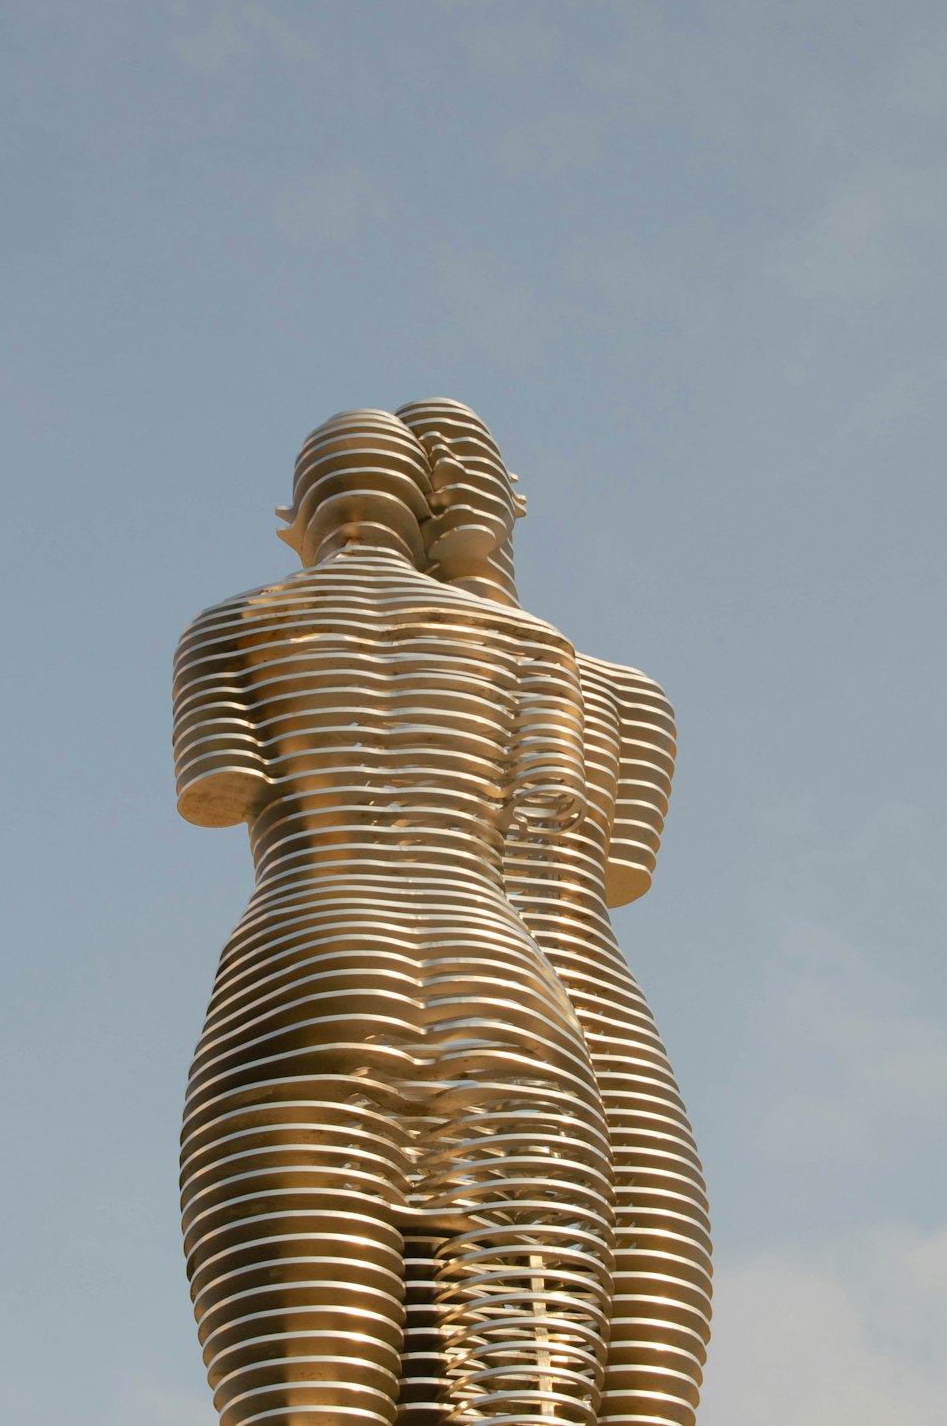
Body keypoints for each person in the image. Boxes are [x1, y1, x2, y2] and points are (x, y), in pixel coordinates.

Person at [173, 409, 619, 1426]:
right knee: (518, 1396)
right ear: (425, 507)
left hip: (309, 956)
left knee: (308, 1394)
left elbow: (216, 786)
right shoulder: (534, 646)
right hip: (497, 979)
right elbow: (546, 824)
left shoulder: (230, 624)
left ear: (295, 517)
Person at [396, 398, 712, 1426]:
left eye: (464, 470)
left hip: (571, 1001)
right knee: (406, 1348)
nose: (449, 498)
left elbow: (613, 867)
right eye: (426, 475)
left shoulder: (619, 692)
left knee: (629, 1344)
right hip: (434, 983)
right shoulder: (370, 663)